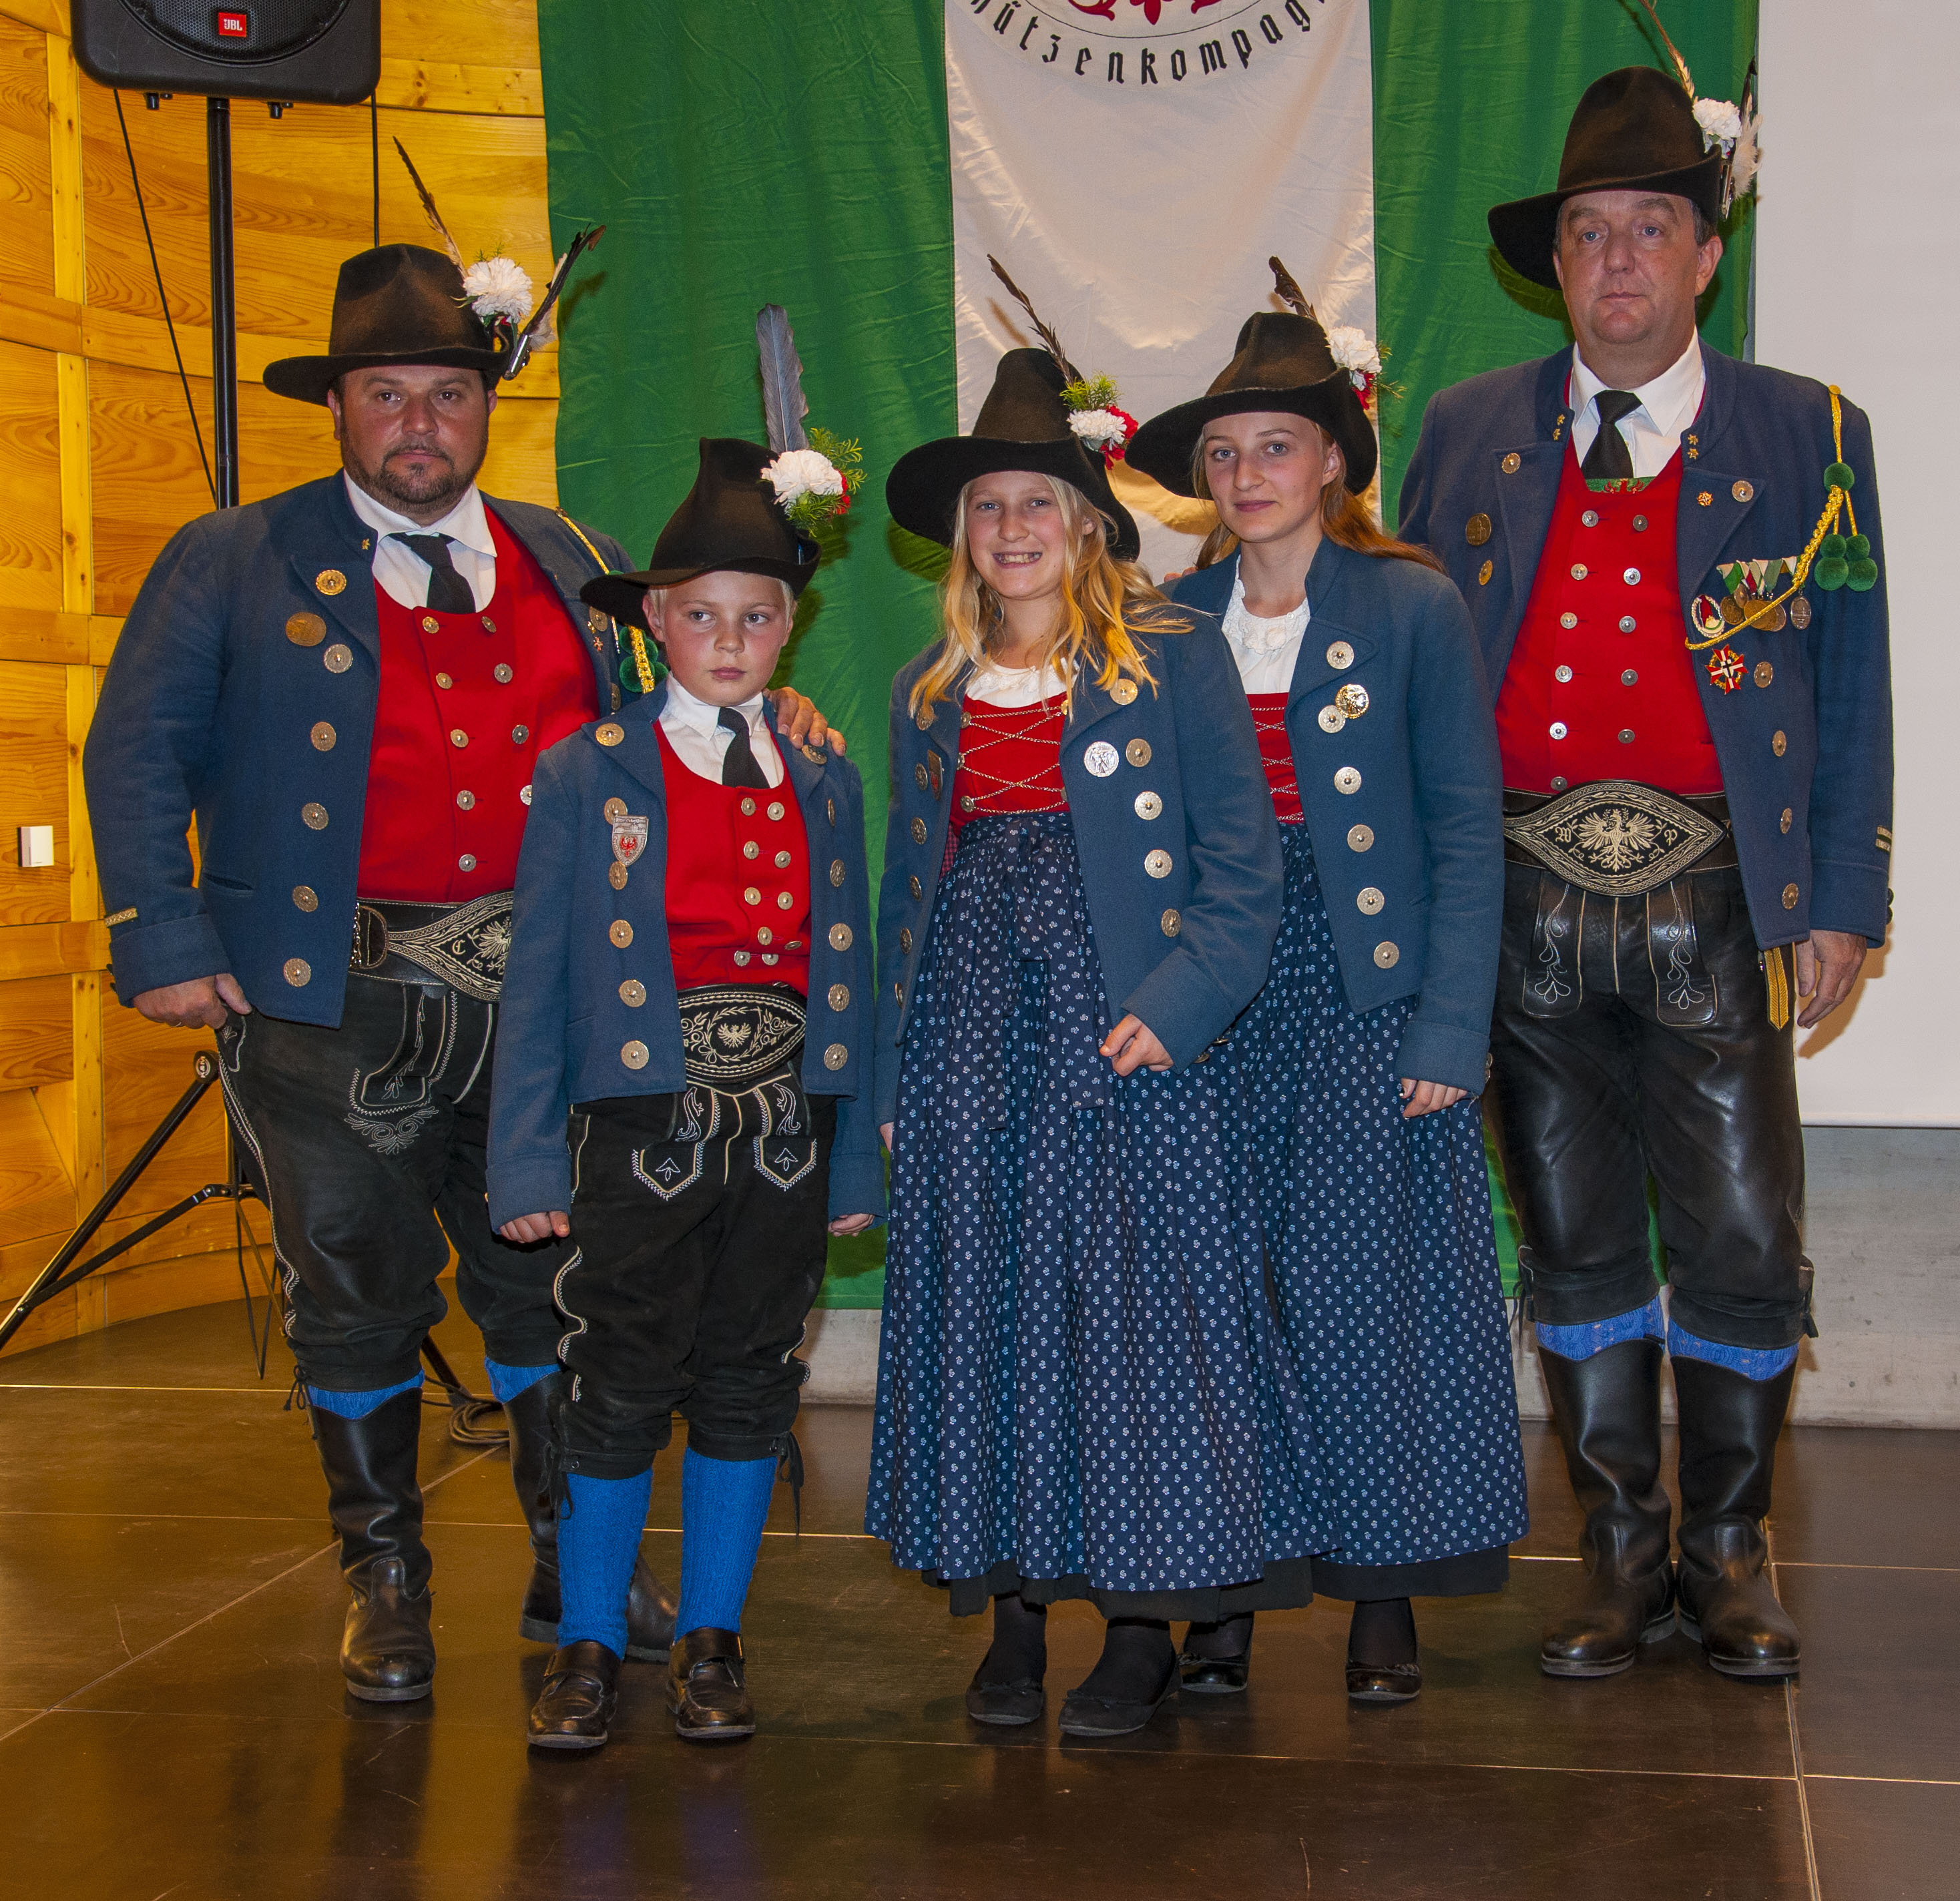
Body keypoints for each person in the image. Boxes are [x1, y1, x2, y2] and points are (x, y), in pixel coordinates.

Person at [83, 243, 833, 1705]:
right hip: (325, 997)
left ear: (484, 405)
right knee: (353, 1284)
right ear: (343, 410)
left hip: (539, 998)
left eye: (445, 391)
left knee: (555, 1279)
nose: (417, 422)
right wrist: (164, 940)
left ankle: (574, 1556)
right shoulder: (235, 554)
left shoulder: (561, 552)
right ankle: (385, 1574)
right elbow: (134, 753)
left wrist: (767, 708)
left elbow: (666, 714)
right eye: (385, 394)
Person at [1396, 67, 1894, 1682]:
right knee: (1572, 1230)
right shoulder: (1467, 431)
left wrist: (1841, 897)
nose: (1615, 262)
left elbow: (1854, 676)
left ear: (1701, 257)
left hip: (1719, 901)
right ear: (1557, 263)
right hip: (1520, 904)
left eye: (1649, 230)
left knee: (1741, 1232)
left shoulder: (1811, 434)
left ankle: (1729, 1547)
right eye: (1588, 234)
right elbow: (1409, 683)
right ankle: (1618, 1547)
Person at [864, 340, 1310, 1740]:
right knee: (989, 1305)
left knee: (1130, 1327)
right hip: (966, 1043)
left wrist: (1173, 1012)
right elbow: (903, 897)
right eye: (987, 506)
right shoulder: (924, 689)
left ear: (1087, 525)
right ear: (961, 535)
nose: (1010, 529)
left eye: (1037, 504)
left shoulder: (1169, 658)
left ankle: (1137, 1621)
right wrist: (889, 1077)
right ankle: (1006, 1607)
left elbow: (1243, 873)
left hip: (1121, 1038)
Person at [1123, 288, 1524, 1703]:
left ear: (1332, 463)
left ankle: (1380, 1586)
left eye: (1273, 446)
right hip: (1219, 975)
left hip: (1363, 988)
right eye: (1223, 451)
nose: (1243, 475)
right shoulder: (1160, 621)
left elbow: (1465, 829)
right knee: (1214, 1288)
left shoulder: (1408, 604)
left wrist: (1446, 1025)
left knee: (1370, 1291)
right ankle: (1223, 1590)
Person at [488, 437, 880, 1749]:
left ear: (788, 626)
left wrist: (855, 1168)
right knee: (613, 1385)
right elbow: (536, 978)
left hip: (781, 1135)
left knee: (748, 1383)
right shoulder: (586, 770)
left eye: (755, 616)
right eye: (701, 615)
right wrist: (528, 1160)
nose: (728, 638)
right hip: (638, 1135)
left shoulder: (822, 771)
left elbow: (854, 974)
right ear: (653, 623)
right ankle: (591, 1638)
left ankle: (711, 1632)